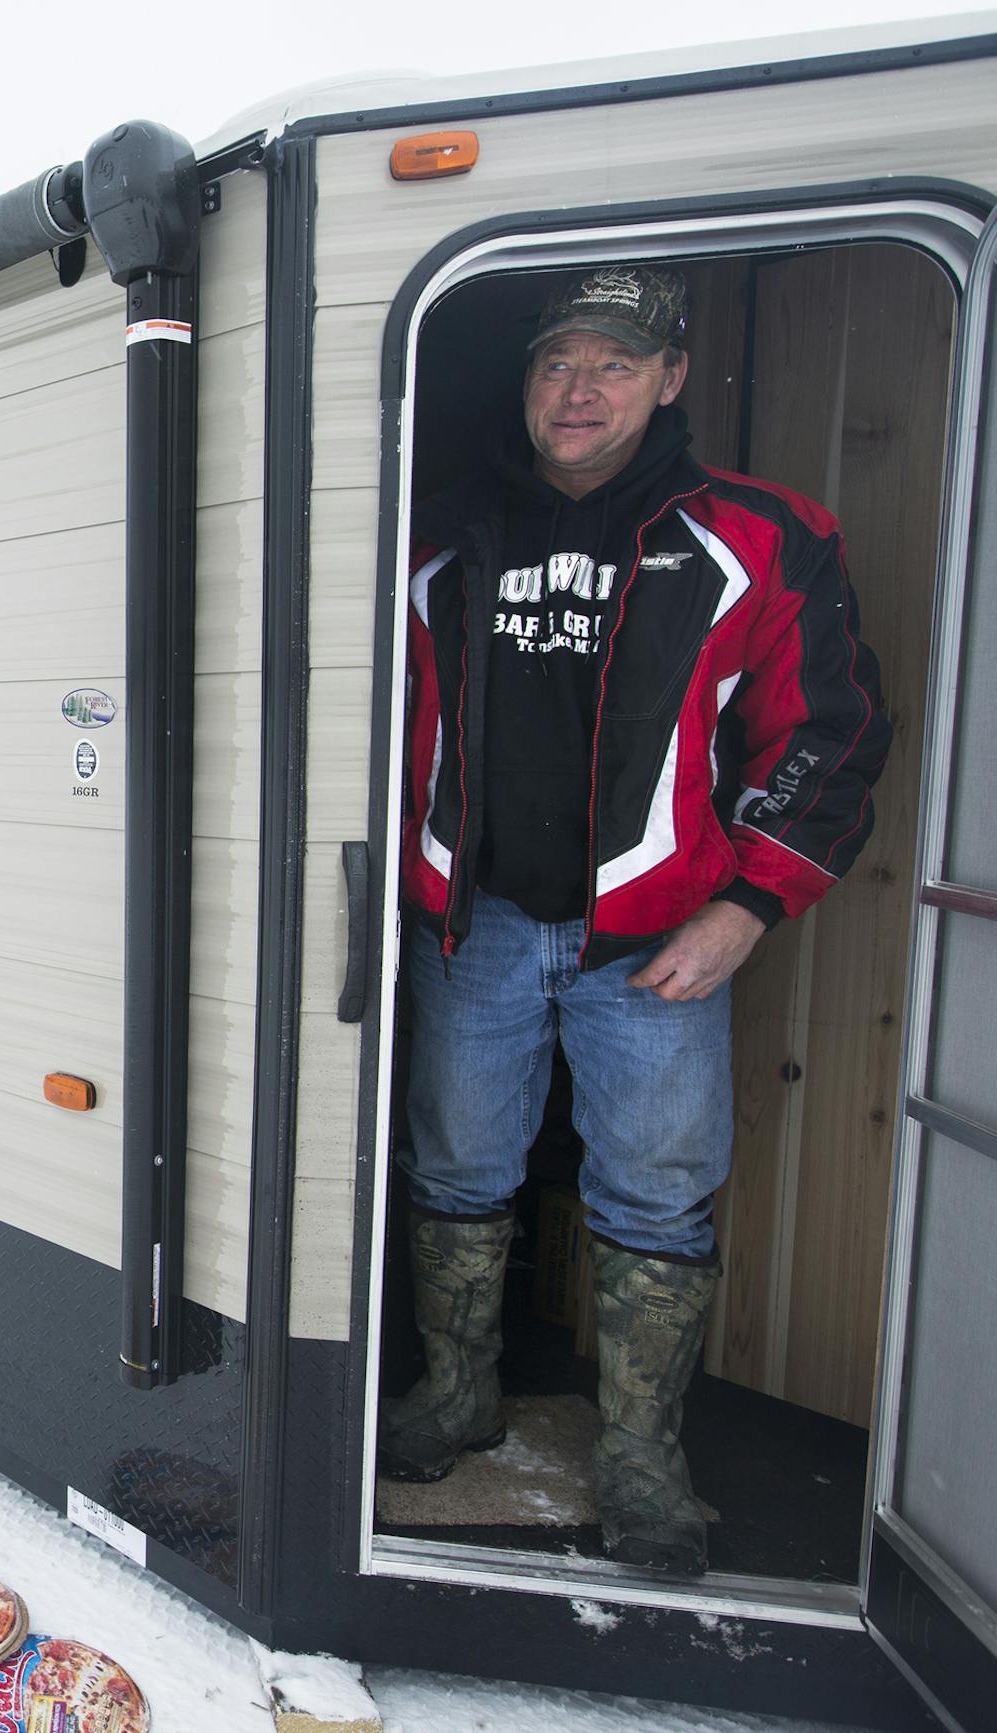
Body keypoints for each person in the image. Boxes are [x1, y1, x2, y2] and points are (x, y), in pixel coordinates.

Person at [382, 265, 891, 1575]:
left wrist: (747, 906)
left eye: (615, 362)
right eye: (560, 361)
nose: (581, 387)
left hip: (660, 943)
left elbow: (829, 738)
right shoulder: (429, 536)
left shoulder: (762, 538)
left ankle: (642, 1454)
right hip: (474, 928)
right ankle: (458, 1395)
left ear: (670, 378)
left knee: (657, 1199)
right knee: (453, 1171)